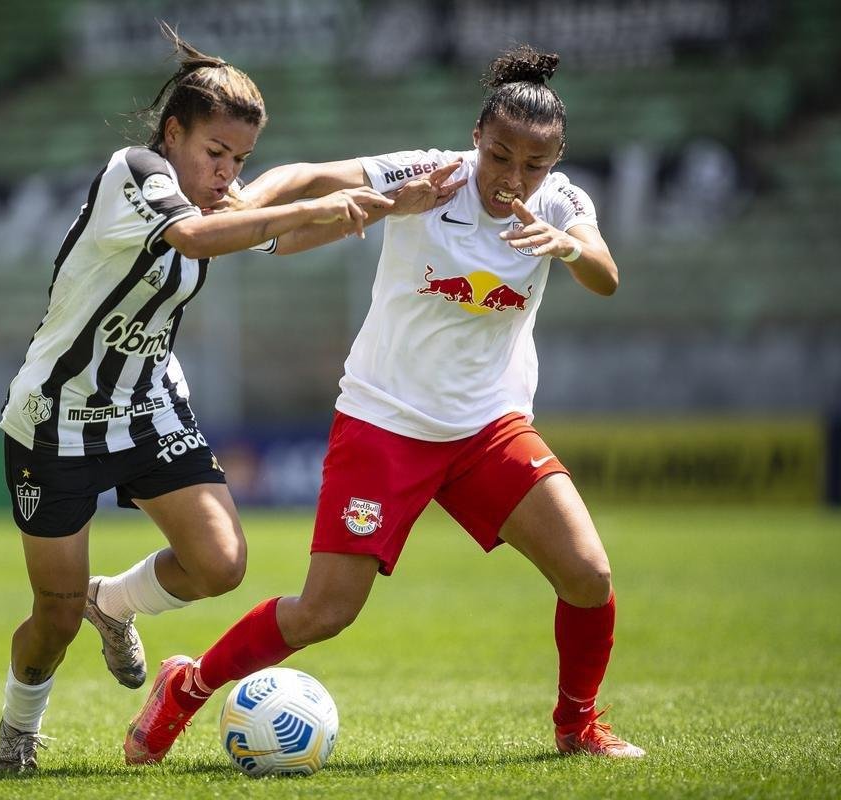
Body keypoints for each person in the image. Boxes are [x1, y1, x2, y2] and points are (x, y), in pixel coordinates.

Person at [124, 44, 646, 764]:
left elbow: (607, 276)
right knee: (325, 613)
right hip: (386, 424)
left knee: (588, 576)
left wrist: (566, 246)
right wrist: (251, 201)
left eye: (533, 165)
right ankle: (189, 684)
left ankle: (578, 726)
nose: (513, 178)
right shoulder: (430, 174)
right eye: (500, 157)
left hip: (488, 429)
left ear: (553, 164)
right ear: (476, 140)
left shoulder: (563, 204)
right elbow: (309, 174)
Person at [0, 23, 459, 772]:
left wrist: (386, 206)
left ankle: (111, 604)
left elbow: (273, 236)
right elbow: (199, 241)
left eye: (240, 159)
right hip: (57, 418)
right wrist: (313, 210)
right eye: (216, 154)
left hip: (148, 406)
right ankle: (19, 728)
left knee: (220, 563)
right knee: (51, 617)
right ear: (173, 133)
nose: (227, 173)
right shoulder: (135, 171)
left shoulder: (210, 192)